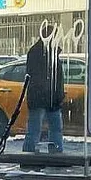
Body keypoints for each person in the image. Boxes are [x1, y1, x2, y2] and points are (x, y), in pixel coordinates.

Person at [23, 23, 64, 154]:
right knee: (44, 128)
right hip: (45, 96)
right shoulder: (43, 52)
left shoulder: (44, 51)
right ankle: (53, 153)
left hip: (46, 96)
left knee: (39, 129)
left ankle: (32, 154)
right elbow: (42, 76)